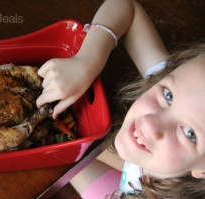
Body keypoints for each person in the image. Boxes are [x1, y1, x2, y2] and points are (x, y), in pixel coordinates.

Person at [36, 0, 205, 198]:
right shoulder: (190, 88)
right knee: (57, 152)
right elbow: (126, 8)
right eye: (168, 95)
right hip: (134, 173)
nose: (150, 124)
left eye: (190, 133)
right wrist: (88, 61)